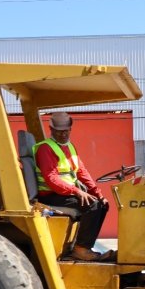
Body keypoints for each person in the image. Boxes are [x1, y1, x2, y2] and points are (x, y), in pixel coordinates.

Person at [33, 112, 113, 262]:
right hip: (50, 195)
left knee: (101, 204)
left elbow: (82, 172)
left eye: (66, 131)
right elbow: (51, 179)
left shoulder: (69, 146)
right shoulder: (45, 148)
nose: (63, 134)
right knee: (92, 206)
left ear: (70, 129)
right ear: (51, 130)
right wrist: (76, 191)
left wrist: (98, 193)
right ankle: (80, 249)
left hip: (65, 194)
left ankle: (85, 246)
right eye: (59, 131)